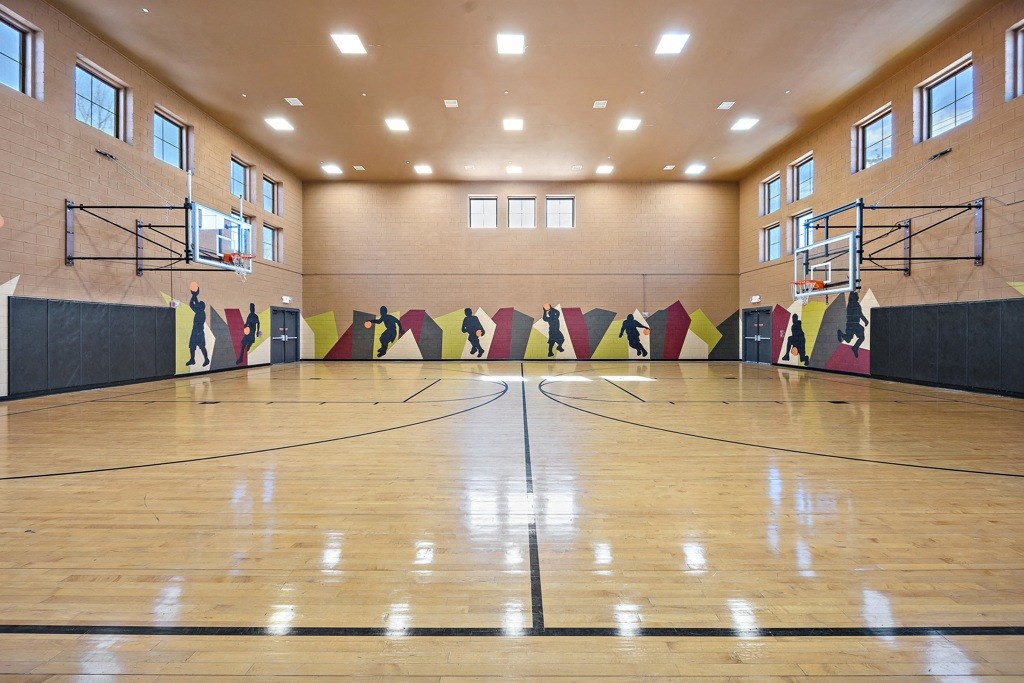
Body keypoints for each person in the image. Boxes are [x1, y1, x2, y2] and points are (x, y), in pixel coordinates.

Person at [837, 291, 870, 358]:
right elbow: (860, 314)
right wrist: (865, 321)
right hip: (854, 324)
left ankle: (841, 334)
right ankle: (854, 347)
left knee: (849, 339)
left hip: (850, 324)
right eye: (856, 296)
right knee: (861, 337)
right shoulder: (856, 304)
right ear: (855, 297)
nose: (858, 297)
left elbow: (858, 314)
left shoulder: (850, 304)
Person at [186, 287, 210, 367]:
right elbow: (193, 304)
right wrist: (194, 296)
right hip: (195, 331)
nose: (198, 304)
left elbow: (192, 305)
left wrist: (194, 295)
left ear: (201, 307)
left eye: (199, 304)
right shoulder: (199, 311)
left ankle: (206, 359)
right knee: (192, 346)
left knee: (202, 346)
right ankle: (192, 359)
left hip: (199, 332)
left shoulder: (201, 313)